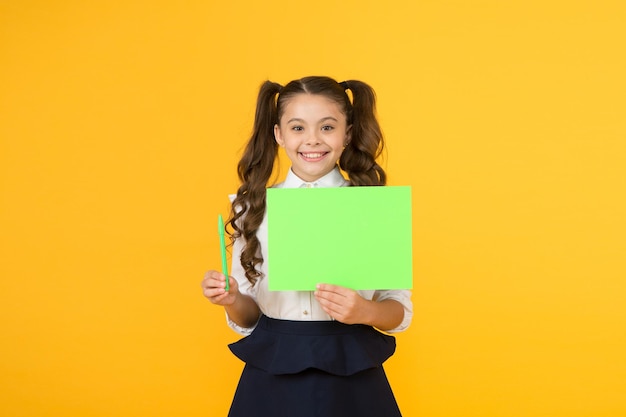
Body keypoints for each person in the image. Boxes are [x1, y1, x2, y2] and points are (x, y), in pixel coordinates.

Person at [201, 76, 413, 417]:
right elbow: (249, 315)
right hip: (272, 371)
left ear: (347, 133)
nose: (312, 139)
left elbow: (398, 310)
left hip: (351, 370)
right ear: (279, 135)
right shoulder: (252, 207)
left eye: (327, 127)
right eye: (297, 128)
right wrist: (231, 299)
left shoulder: (373, 209)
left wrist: (365, 311)